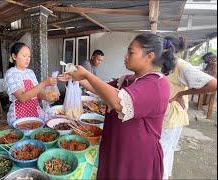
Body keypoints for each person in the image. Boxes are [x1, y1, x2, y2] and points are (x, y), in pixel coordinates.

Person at [61, 33, 175, 179]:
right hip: (115, 148)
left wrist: (87, 75)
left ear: (149, 56)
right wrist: (76, 77)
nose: (126, 56)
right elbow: (99, 89)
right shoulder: (127, 79)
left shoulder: (157, 84)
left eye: (131, 52)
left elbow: (119, 103)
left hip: (136, 157)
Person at [160, 37, 217, 180]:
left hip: (171, 118)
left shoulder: (180, 65)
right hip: (164, 116)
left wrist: (181, 93)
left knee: (162, 155)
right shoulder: (165, 63)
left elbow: (213, 84)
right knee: (164, 154)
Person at [4, 42, 57, 126]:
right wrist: (44, 83)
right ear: (14, 56)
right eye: (24, 56)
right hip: (19, 116)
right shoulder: (11, 73)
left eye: (29, 56)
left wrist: (48, 96)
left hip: (35, 112)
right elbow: (22, 97)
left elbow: (37, 93)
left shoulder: (30, 72)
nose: (27, 59)